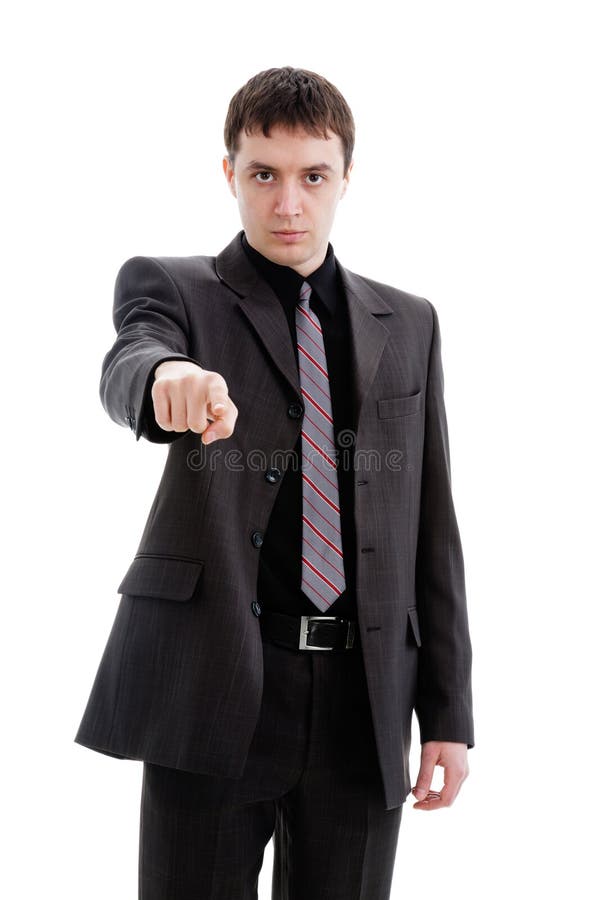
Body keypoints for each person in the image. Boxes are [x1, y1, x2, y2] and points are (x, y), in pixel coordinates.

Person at [74, 65, 474, 899]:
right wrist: (166, 380)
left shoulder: (410, 321)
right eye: (264, 175)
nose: (287, 204)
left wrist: (447, 715)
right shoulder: (175, 288)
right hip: (214, 682)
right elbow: (130, 358)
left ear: (344, 180)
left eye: (311, 177)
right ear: (230, 174)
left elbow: (431, 525)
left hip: (364, 702)